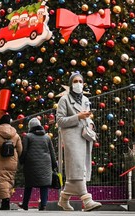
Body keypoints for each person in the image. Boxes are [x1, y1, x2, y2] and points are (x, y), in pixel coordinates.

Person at [56, 72, 102, 211]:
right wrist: (78, 116)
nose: (78, 84)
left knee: (79, 169)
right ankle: (87, 200)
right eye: (75, 81)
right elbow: (60, 121)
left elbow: (87, 117)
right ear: (71, 84)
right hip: (71, 138)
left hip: (84, 137)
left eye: (80, 81)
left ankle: (63, 199)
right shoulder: (64, 100)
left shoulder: (85, 99)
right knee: (77, 167)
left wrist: (91, 122)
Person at [19, 117, 57, 211]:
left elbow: (24, 151)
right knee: (44, 185)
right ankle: (43, 205)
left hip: (31, 164)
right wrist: (54, 164)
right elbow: (52, 152)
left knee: (29, 184)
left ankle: (25, 204)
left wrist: (22, 161)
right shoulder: (47, 137)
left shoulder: (27, 136)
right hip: (46, 163)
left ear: (30, 127)